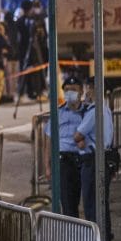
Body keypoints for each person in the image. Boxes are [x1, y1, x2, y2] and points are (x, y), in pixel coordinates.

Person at [74, 77, 118, 241]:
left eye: (88, 89)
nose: (86, 92)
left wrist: (81, 139)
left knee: (92, 205)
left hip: (93, 162)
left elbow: (77, 135)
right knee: (102, 204)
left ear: (94, 89)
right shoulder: (105, 109)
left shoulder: (94, 111)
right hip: (104, 158)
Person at [44, 77, 86, 218]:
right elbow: (49, 140)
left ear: (81, 92)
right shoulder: (57, 113)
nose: (70, 93)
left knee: (86, 201)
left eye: (73, 90)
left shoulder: (87, 112)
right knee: (68, 204)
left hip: (83, 160)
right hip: (64, 161)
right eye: (67, 90)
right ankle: (72, 234)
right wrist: (48, 166)